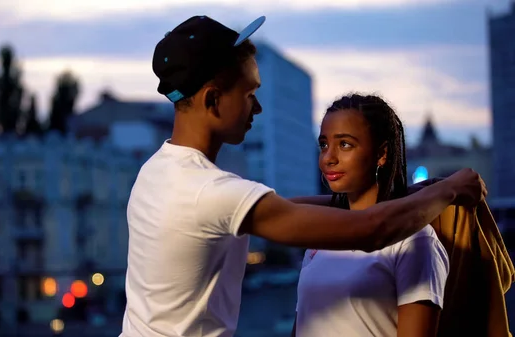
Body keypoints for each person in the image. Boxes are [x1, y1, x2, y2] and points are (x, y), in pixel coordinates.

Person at [120, 14, 485, 337]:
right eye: (249, 94)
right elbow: (371, 230)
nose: (258, 107)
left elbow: (284, 208)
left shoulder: (156, 173)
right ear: (213, 100)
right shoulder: (210, 191)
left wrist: (407, 193)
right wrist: (451, 189)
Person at [292, 94, 450, 337]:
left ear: (382, 154)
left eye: (345, 144)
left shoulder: (414, 240)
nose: (328, 158)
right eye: (324, 144)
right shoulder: (322, 237)